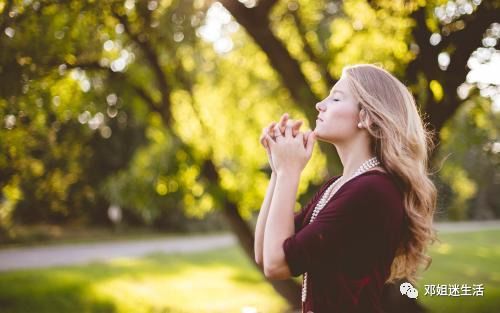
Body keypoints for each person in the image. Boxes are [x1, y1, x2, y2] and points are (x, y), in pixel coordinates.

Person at [254, 64, 438, 313]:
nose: (320, 104)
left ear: (366, 117)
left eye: (336, 97)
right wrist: (278, 170)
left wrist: (290, 172)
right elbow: (264, 254)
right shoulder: (340, 186)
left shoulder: (372, 191)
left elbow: (277, 265)